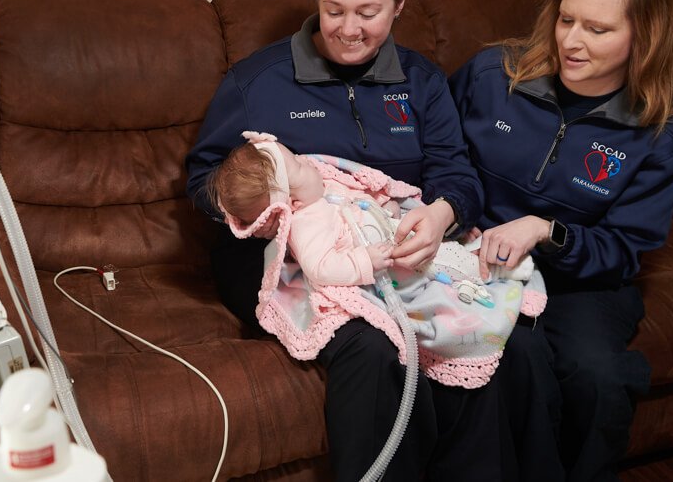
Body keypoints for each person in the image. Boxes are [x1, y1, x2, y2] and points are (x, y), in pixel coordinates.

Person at [186, 0, 499, 480]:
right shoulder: (259, 81)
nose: (348, 30)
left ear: (400, 4)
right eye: (334, 10)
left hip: (389, 245)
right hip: (281, 259)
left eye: (368, 13)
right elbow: (204, 181)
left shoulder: (422, 82)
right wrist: (273, 211)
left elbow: (458, 173)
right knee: (376, 349)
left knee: (484, 337)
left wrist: (442, 213)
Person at [449, 0, 673, 482]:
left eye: (599, 29)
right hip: (476, 261)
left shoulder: (667, 133)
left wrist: (545, 229)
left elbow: (623, 249)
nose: (572, 42)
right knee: (514, 361)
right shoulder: (493, 74)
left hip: (581, 278)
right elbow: (440, 159)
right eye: (567, 20)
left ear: (648, 37)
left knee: (599, 377)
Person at [205, 132, 542, 387]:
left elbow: (359, 191)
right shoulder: (307, 222)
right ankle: (488, 292)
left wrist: (387, 204)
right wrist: (365, 259)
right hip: (389, 266)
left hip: (394, 231)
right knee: (440, 278)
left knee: (452, 254)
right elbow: (322, 268)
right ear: (288, 199)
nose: (304, 160)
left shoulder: (321, 182)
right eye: (294, 166)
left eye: (294, 156)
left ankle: (499, 269)